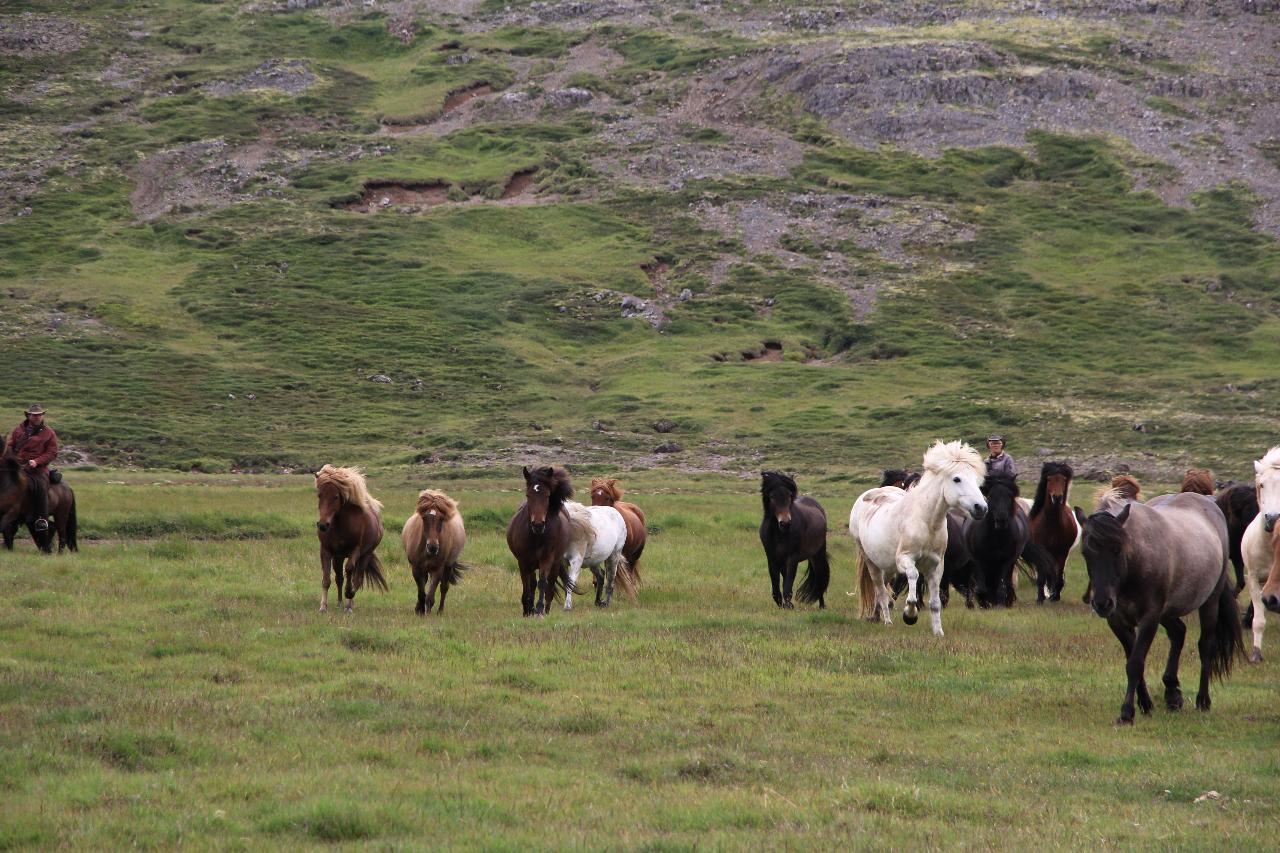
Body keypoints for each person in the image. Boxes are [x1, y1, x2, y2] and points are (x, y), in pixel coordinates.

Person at [7, 404, 58, 532]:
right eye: (34, 415)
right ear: (28, 415)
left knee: (40, 487)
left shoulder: (49, 433)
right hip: (18, 467)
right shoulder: (18, 430)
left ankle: (42, 519)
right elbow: (10, 446)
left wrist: (36, 461)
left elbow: (52, 453)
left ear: (42, 416)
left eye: (39, 415)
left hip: (38, 470)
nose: (37, 417)